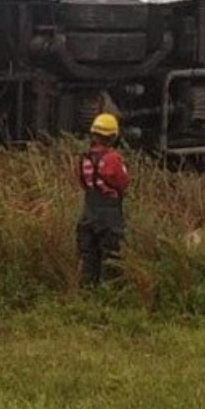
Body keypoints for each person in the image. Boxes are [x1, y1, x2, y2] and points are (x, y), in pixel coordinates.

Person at [75, 113, 130, 288]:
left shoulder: (84, 159)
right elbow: (123, 183)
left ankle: (87, 295)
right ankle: (108, 296)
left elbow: (83, 182)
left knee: (88, 257)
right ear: (113, 136)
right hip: (109, 217)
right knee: (110, 258)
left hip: (88, 214)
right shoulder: (113, 159)